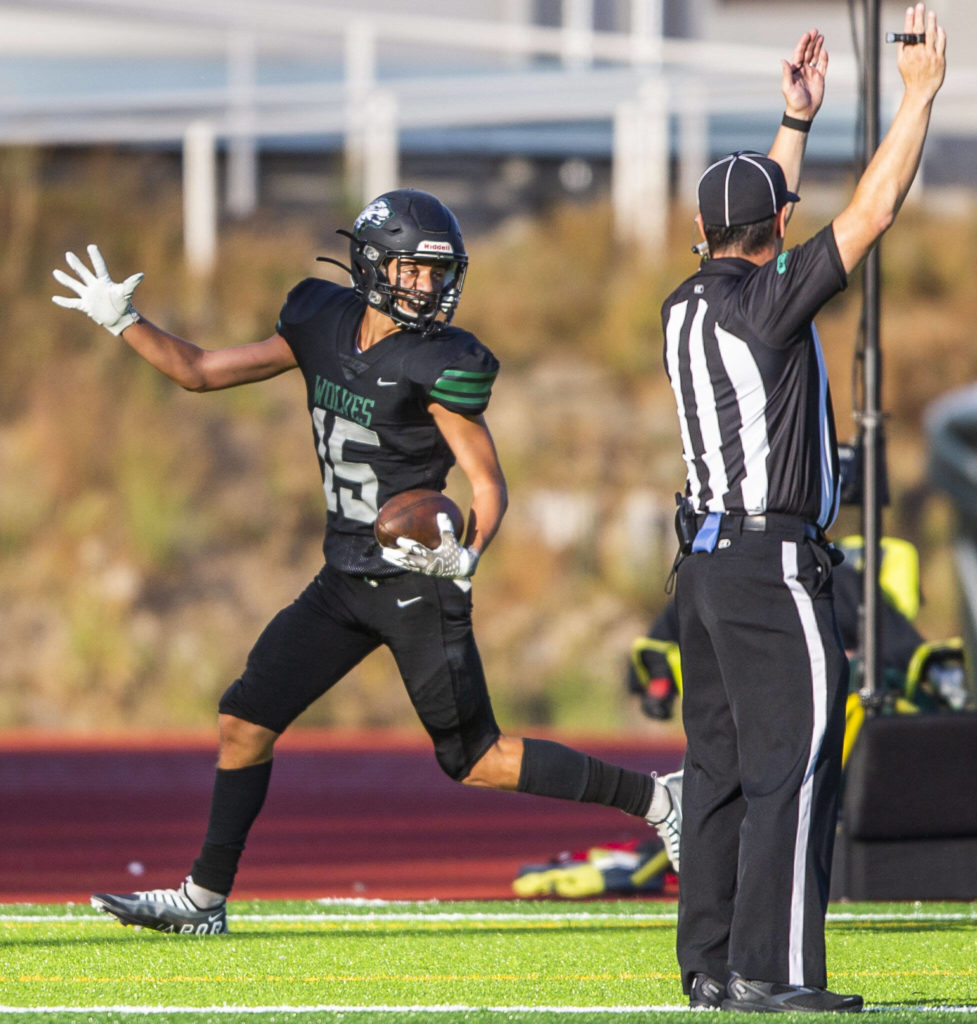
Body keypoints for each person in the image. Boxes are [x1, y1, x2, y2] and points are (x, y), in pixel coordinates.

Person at [52, 187, 681, 935]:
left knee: (475, 758)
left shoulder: (439, 362)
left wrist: (466, 552)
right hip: (344, 576)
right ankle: (203, 900)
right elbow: (200, 371)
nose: (426, 286)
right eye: (411, 270)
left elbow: (487, 483)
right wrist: (124, 321)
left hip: (419, 578)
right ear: (372, 265)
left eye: (436, 273)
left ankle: (658, 800)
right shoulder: (320, 322)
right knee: (243, 720)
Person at [661, 5, 945, 1012]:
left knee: (721, 774)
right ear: (777, 227)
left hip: (698, 568)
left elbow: (761, 222)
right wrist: (914, 97)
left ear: (700, 232)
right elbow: (865, 215)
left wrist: (793, 123)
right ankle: (767, 969)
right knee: (795, 764)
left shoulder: (687, 302)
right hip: (765, 567)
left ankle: (706, 966)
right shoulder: (768, 302)